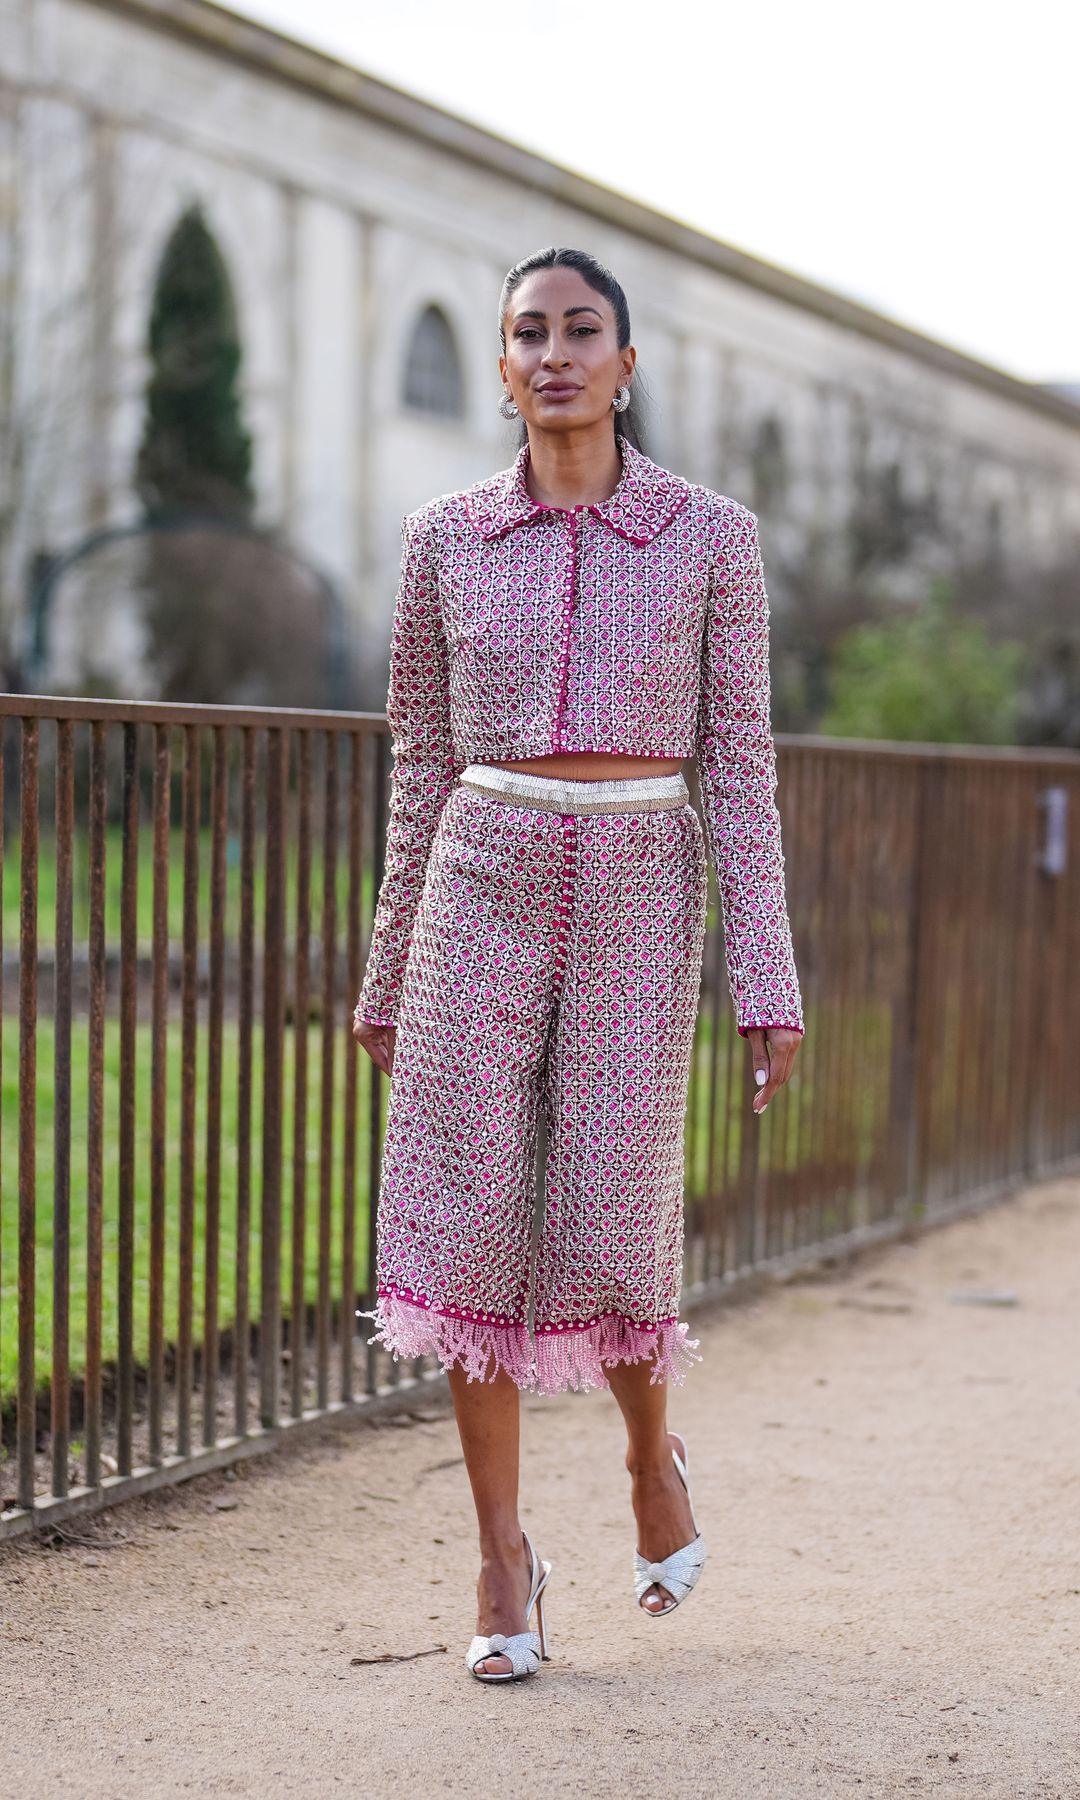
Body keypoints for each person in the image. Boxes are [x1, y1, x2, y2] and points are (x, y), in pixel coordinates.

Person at [352, 246, 804, 1683]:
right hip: (476, 885)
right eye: (526, 334)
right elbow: (420, 768)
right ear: (500, 370)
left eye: (581, 330)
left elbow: (739, 769)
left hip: (633, 884)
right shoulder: (440, 541)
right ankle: (499, 1555)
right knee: (469, 1219)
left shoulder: (709, 538)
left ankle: (647, 1455)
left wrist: (768, 979)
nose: (554, 353)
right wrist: (385, 968)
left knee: (611, 1208)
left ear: (626, 362)